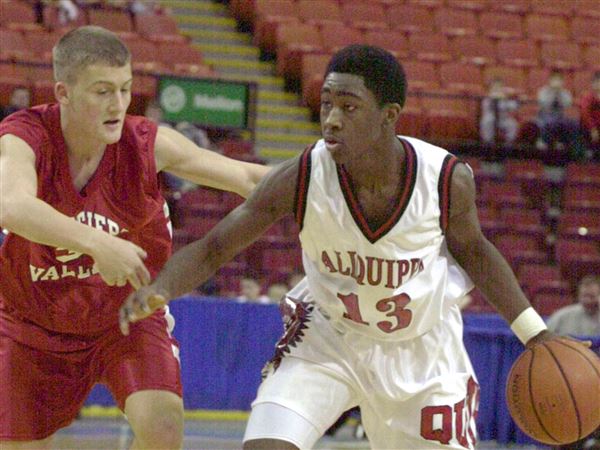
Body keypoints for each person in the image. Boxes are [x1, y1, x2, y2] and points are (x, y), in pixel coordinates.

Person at [121, 45, 560, 450]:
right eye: (327, 104)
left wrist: (533, 334)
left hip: (420, 352)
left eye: (348, 107)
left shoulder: (444, 180)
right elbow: (217, 245)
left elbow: (476, 252)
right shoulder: (303, 174)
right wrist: (160, 288)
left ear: (389, 115)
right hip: (329, 337)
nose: (330, 119)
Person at [0, 26, 269, 449]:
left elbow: (245, 177)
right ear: (64, 93)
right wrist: (98, 243)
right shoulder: (25, 134)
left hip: (127, 316)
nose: (118, 105)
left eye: (125, 89)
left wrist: (320, 184)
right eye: (102, 91)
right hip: (34, 323)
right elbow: (11, 206)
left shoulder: (145, 142)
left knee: (163, 428)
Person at [535, 70, 582, 155]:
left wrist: (559, 93)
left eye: (559, 80)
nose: (557, 82)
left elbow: (567, 104)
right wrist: (553, 93)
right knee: (550, 122)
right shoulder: (543, 91)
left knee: (574, 123)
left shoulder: (565, 93)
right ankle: (544, 142)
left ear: (562, 82)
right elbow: (545, 105)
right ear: (550, 81)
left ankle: (574, 150)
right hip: (545, 115)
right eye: (554, 80)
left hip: (560, 116)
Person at [479, 78, 519, 146]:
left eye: (499, 86)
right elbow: (487, 107)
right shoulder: (488, 98)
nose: (497, 88)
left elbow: (514, 106)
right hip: (490, 118)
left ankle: (508, 147)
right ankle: (488, 145)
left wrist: (511, 96)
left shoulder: (505, 96)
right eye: (495, 86)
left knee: (513, 124)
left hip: (504, 119)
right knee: (486, 122)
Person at [580, 71, 600, 160]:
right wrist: (593, 129)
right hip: (590, 129)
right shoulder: (587, 97)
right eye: (597, 82)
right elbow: (585, 114)